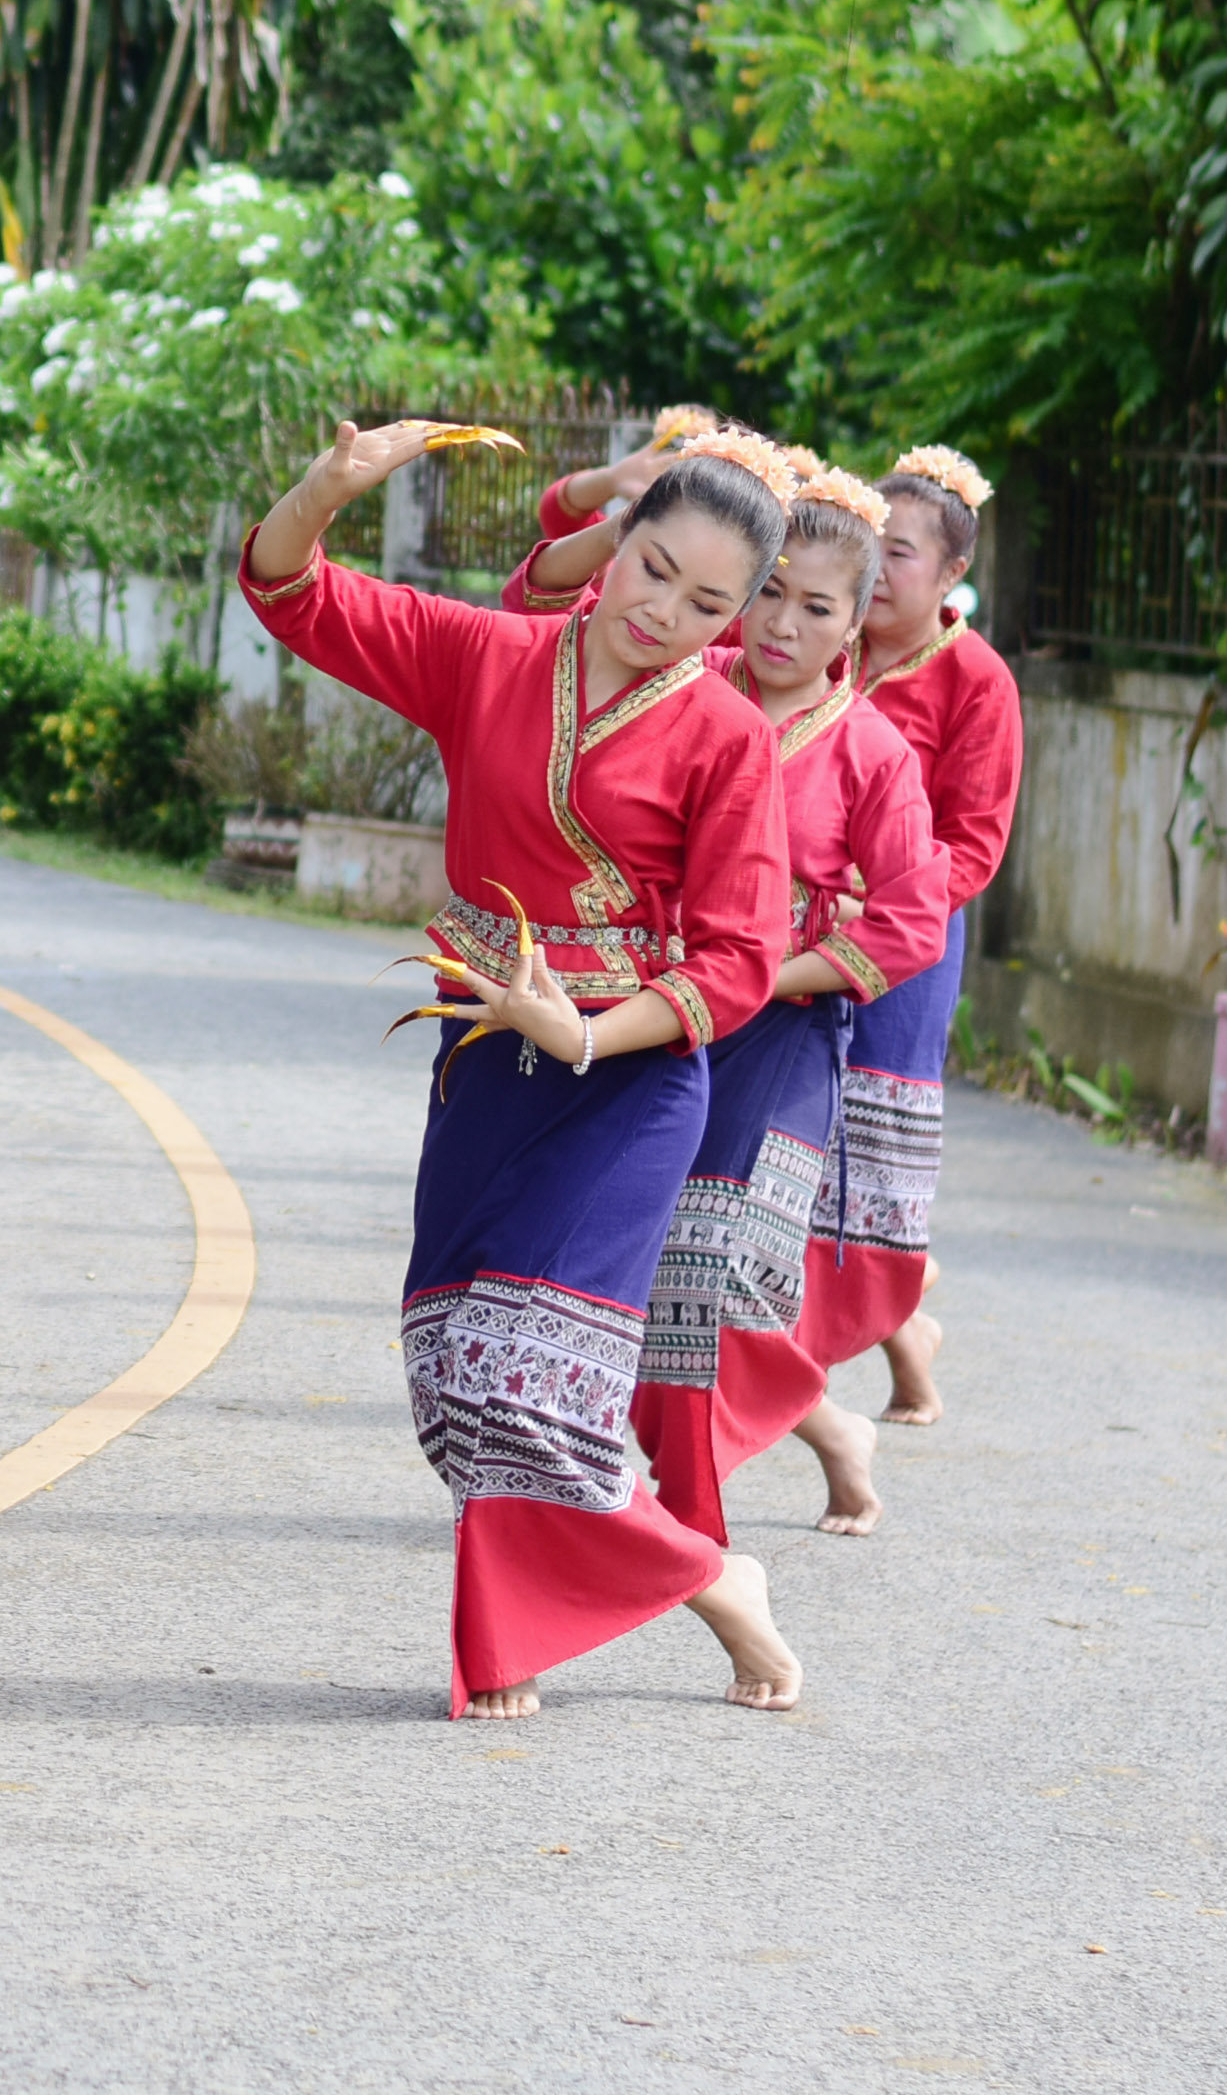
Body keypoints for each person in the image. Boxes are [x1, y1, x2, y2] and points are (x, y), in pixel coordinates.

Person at [238, 416, 802, 1719]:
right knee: (450, 1367)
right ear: (614, 543)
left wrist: (593, 1031)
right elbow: (290, 592)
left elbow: (737, 958)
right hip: (487, 1051)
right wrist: (333, 485)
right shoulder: (486, 655)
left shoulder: (726, 737)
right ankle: (708, 1580)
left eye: (708, 601)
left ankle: (584, 1621)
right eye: (654, 568)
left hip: (629, 1076)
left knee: (525, 1368)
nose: (666, 610)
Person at [521, 462, 952, 1541]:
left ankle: (692, 1530)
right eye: (769, 593)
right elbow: (554, 607)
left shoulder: (871, 752)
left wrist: (764, 969)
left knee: (710, 1284)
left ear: (854, 625)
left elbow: (907, 921)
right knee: (621, 1271)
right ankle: (795, 1443)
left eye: (817, 607)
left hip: (777, 1039)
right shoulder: (670, 684)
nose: (783, 625)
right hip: (650, 1018)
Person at [812, 446, 1025, 1429]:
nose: (877, 569)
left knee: (873, 1169)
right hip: (792, 936)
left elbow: (972, 850)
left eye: (899, 553)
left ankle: (884, 1335)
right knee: (796, 1149)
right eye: (869, 546)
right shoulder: (812, 646)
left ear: (949, 576)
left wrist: (877, 900)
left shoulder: (977, 683)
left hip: (901, 954)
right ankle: (887, 1346)